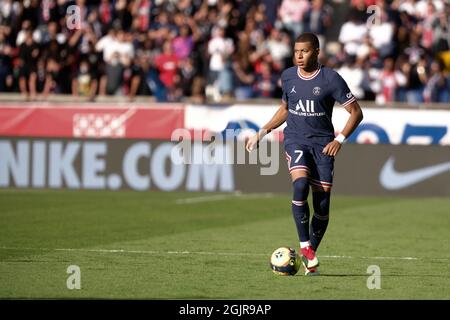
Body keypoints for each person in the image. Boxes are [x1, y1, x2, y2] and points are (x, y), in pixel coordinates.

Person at [246, 33, 363, 276]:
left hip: (322, 145)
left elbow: (356, 112)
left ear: (317, 51)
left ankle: (309, 254)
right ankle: (305, 247)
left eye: (305, 51)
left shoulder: (331, 78)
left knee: (322, 206)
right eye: (296, 51)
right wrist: (262, 132)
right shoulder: (288, 76)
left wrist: (339, 139)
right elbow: (286, 109)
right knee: (300, 185)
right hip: (295, 139)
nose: (299, 56)